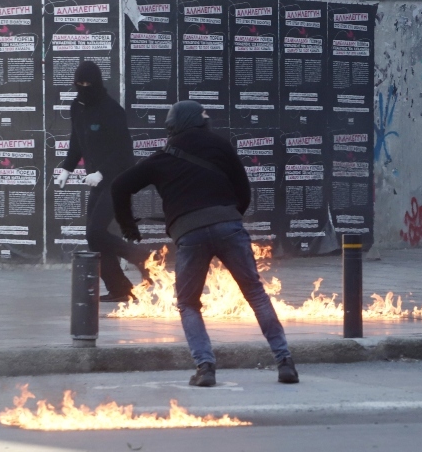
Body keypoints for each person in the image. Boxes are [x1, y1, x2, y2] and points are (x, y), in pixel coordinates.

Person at [111, 101, 299, 387]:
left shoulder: (161, 159)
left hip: (189, 233)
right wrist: (229, 217)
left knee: (188, 303)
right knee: (255, 294)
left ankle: (205, 368)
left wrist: (128, 226)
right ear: (199, 122)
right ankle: (284, 362)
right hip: (228, 225)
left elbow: (119, 186)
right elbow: (243, 190)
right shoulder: (220, 145)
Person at [54, 60, 151, 302]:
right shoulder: (77, 107)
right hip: (97, 182)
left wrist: (101, 173)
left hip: (117, 181)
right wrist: (66, 168)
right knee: (93, 237)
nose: (83, 87)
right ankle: (119, 289)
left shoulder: (111, 110)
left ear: (96, 83)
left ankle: (141, 256)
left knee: (96, 231)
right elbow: (76, 141)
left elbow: (124, 152)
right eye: (79, 83)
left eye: (88, 83)